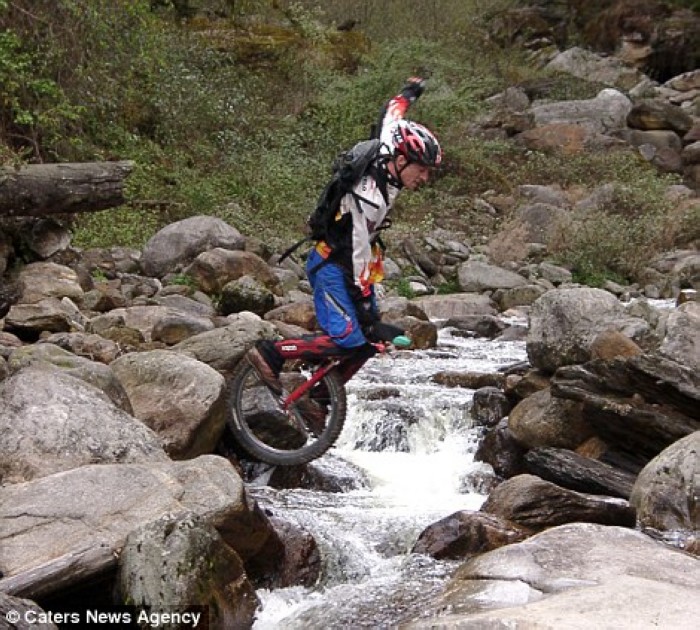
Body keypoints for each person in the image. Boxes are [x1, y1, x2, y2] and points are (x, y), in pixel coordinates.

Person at [246, 77, 442, 432]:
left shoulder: (389, 150)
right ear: (401, 159)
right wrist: (367, 309)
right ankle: (271, 353)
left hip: (346, 263)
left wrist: (409, 93)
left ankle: (318, 397)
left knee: (369, 343)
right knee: (348, 337)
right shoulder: (370, 198)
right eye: (422, 169)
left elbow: (391, 114)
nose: (425, 178)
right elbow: (358, 262)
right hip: (331, 267)